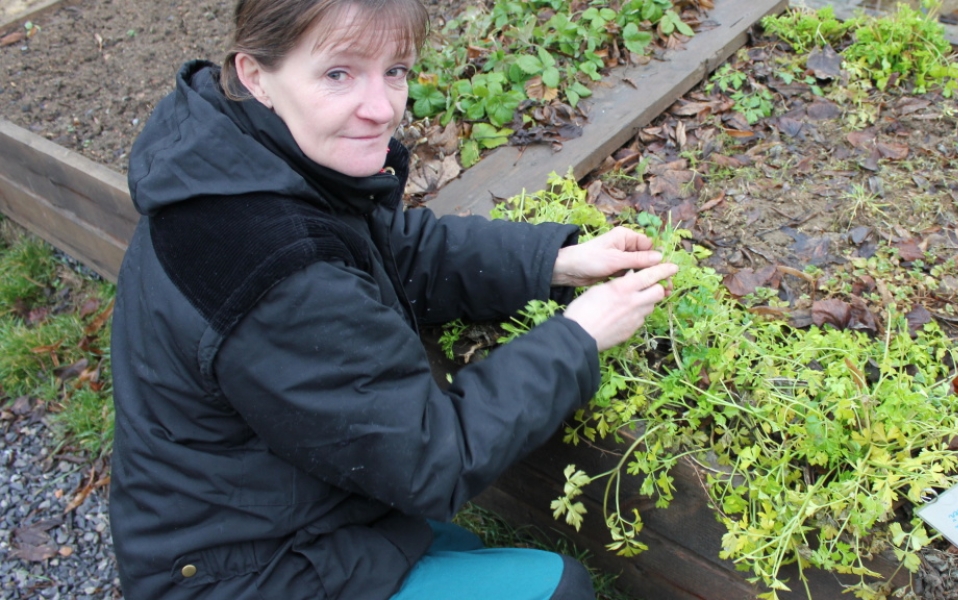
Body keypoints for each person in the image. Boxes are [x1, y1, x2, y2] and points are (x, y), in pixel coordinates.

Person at [107, 0, 678, 598]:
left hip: (280, 511)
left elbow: (391, 251)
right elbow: (433, 458)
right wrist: (579, 335)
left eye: (396, 70)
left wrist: (555, 261)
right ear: (255, 75)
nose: (381, 109)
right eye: (338, 73)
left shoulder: (243, 159)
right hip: (246, 576)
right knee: (558, 588)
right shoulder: (273, 270)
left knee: (461, 548)